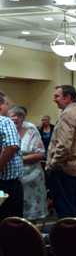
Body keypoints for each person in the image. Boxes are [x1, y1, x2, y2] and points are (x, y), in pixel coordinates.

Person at [46, 85, 76, 219]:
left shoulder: (67, 115)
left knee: (65, 209)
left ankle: (67, 238)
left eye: (57, 96)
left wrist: (54, 165)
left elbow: (63, 146)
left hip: (65, 168)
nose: (54, 99)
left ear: (67, 98)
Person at [8, 107, 47, 223]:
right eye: (13, 115)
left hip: (32, 179)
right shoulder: (5, 132)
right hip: (11, 180)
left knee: (31, 215)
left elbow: (40, 154)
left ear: (23, 119)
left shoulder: (31, 132)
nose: (16, 118)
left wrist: (16, 158)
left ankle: (31, 238)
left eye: (19, 116)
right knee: (12, 213)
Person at [0, 92, 24, 222]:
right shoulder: (5, 121)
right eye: (6, 104)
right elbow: (11, 146)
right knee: (11, 222)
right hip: (6, 183)